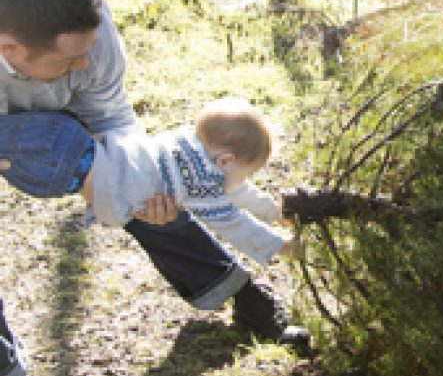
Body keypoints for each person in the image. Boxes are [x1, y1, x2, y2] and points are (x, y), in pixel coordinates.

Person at [0, 0, 308, 376]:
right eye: (67, 62)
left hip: (76, 130)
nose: (82, 65)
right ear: (12, 50)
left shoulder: (90, 34)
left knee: (158, 178)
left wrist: (141, 192)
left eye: (86, 53)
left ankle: (241, 294)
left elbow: (113, 120)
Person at [0, 98, 302, 266]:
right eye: (247, 172)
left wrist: (274, 212)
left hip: (66, 139)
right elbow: (234, 223)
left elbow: (236, 191)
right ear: (224, 160)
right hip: (62, 169)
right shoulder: (200, 181)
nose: (243, 181)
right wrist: (282, 247)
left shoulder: (186, 149)